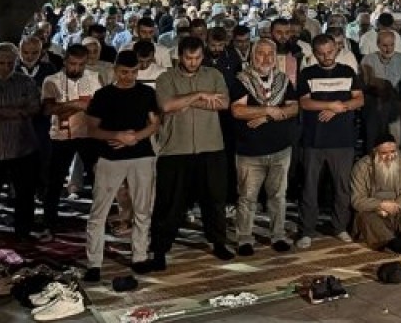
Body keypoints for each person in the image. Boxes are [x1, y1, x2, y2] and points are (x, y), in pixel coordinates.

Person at [151, 37, 233, 269]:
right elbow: (166, 106)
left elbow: (223, 103)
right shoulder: (166, 78)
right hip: (175, 149)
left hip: (211, 147)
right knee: (169, 204)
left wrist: (185, 103)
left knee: (214, 200)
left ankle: (218, 242)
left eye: (197, 58)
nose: (193, 62)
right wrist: (199, 96)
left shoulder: (214, 75)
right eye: (189, 58)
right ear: (179, 55)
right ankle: (159, 249)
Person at [83, 51, 160, 281]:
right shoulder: (103, 95)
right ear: (115, 70)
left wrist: (134, 137)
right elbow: (92, 129)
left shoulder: (147, 92)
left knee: (143, 209)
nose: (129, 77)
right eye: (125, 72)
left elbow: (155, 124)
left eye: (134, 72)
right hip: (109, 158)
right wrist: (117, 135)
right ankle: (94, 263)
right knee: (99, 211)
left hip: (141, 156)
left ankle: (139, 256)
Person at [228, 39, 298, 256]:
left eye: (270, 54)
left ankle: (277, 235)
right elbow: (238, 111)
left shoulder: (283, 80)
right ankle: (245, 238)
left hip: (280, 149)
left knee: (278, 196)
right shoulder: (242, 80)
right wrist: (269, 110)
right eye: (260, 54)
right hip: (250, 152)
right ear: (252, 56)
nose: (266, 58)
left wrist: (269, 115)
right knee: (247, 198)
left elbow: (294, 107)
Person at [296, 34, 364, 249]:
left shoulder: (347, 71)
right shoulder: (307, 73)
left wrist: (339, 108)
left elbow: (359, 99)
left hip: (342, 140)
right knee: (309, 187)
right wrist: (330, 106)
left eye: (330, 52)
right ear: (314, 54)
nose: (326, 57)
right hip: (313, 141)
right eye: (321, 53)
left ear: (337, 49)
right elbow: (305, 103)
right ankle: (307, 230)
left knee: (342, 187)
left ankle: (340, 227)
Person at [0, 43, 43, 248]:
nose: (6, 67)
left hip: (23, 147)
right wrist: (8, 112)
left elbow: (34, 108)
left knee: (25, 194)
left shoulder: (26, 82)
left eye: (11, 63)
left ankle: (23, 232)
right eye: (1, 63)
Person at [41, 44, 102, 235]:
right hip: (61, 136)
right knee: (55, 180)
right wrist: (77, 104)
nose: (76, 68)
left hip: (88, 134)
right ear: (65, 61)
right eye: (73, 64)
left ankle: (99, 218)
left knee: (96, 178)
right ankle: (49, 221)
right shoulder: (52, 80)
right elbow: (48, 110)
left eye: (81, 64)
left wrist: (65, 106)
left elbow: (97, 106)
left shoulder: (93, 78)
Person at [361, 30, 401, 152]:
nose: (388, 49)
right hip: (375, 108)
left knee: (396, 142)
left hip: (395, 107)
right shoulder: (368, 60)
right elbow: (363, 85)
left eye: (391, 45)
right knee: (373, 143)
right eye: (384, 46)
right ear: (377, 44)